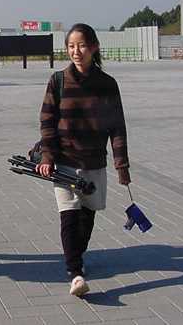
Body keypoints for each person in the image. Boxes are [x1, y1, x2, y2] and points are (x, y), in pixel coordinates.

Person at [36, 23, 131, 297]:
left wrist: (122, 166)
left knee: (87, 216)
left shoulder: (107, 84)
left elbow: (117, 127)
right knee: (68, 215)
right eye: (71, 46)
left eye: (81, 46)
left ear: (94, 47)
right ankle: (75, 273)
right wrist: (48, 155)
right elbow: (47, 121)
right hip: (65, 161)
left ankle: (77, 257)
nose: (76, 51)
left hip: (94, 161)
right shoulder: (58, 81)